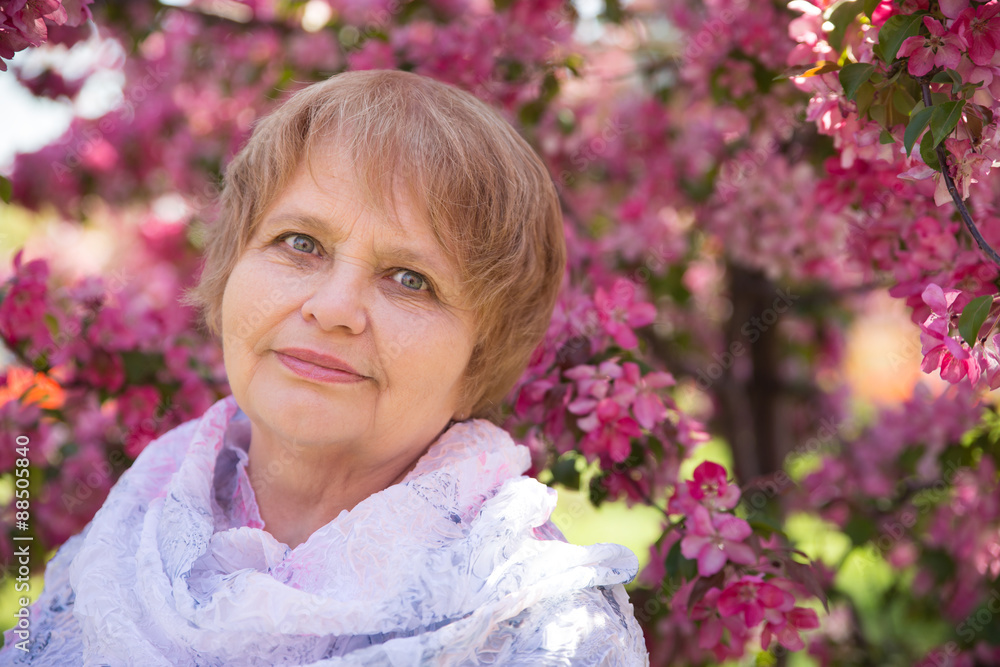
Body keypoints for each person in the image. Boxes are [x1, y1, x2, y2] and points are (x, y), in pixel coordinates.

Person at [0, 69, 649, 665]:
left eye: (410, 278)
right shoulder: (115, 552)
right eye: (300, 243)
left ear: (483, 354)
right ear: (230, 271)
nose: (335, 307)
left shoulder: (544, 631)